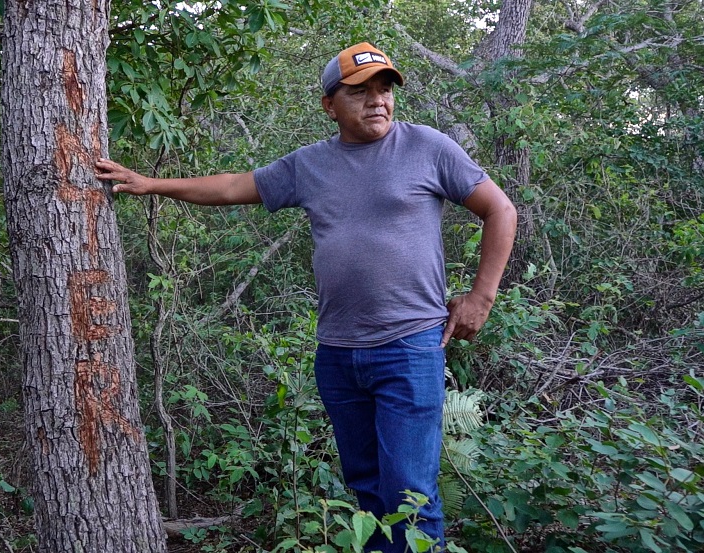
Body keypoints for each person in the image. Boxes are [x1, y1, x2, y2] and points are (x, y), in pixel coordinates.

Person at [96, 42, 517, 552]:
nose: (377, 100)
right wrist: (149, 183)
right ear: (329, 104)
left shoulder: (426, 147)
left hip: (408, 348)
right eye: (359, 92)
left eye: (384, 89)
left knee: (411, 495)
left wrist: (481, 298)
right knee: (368, 494)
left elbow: (501, 210)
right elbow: (232, 187)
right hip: (338, 354)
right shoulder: (310, 165)